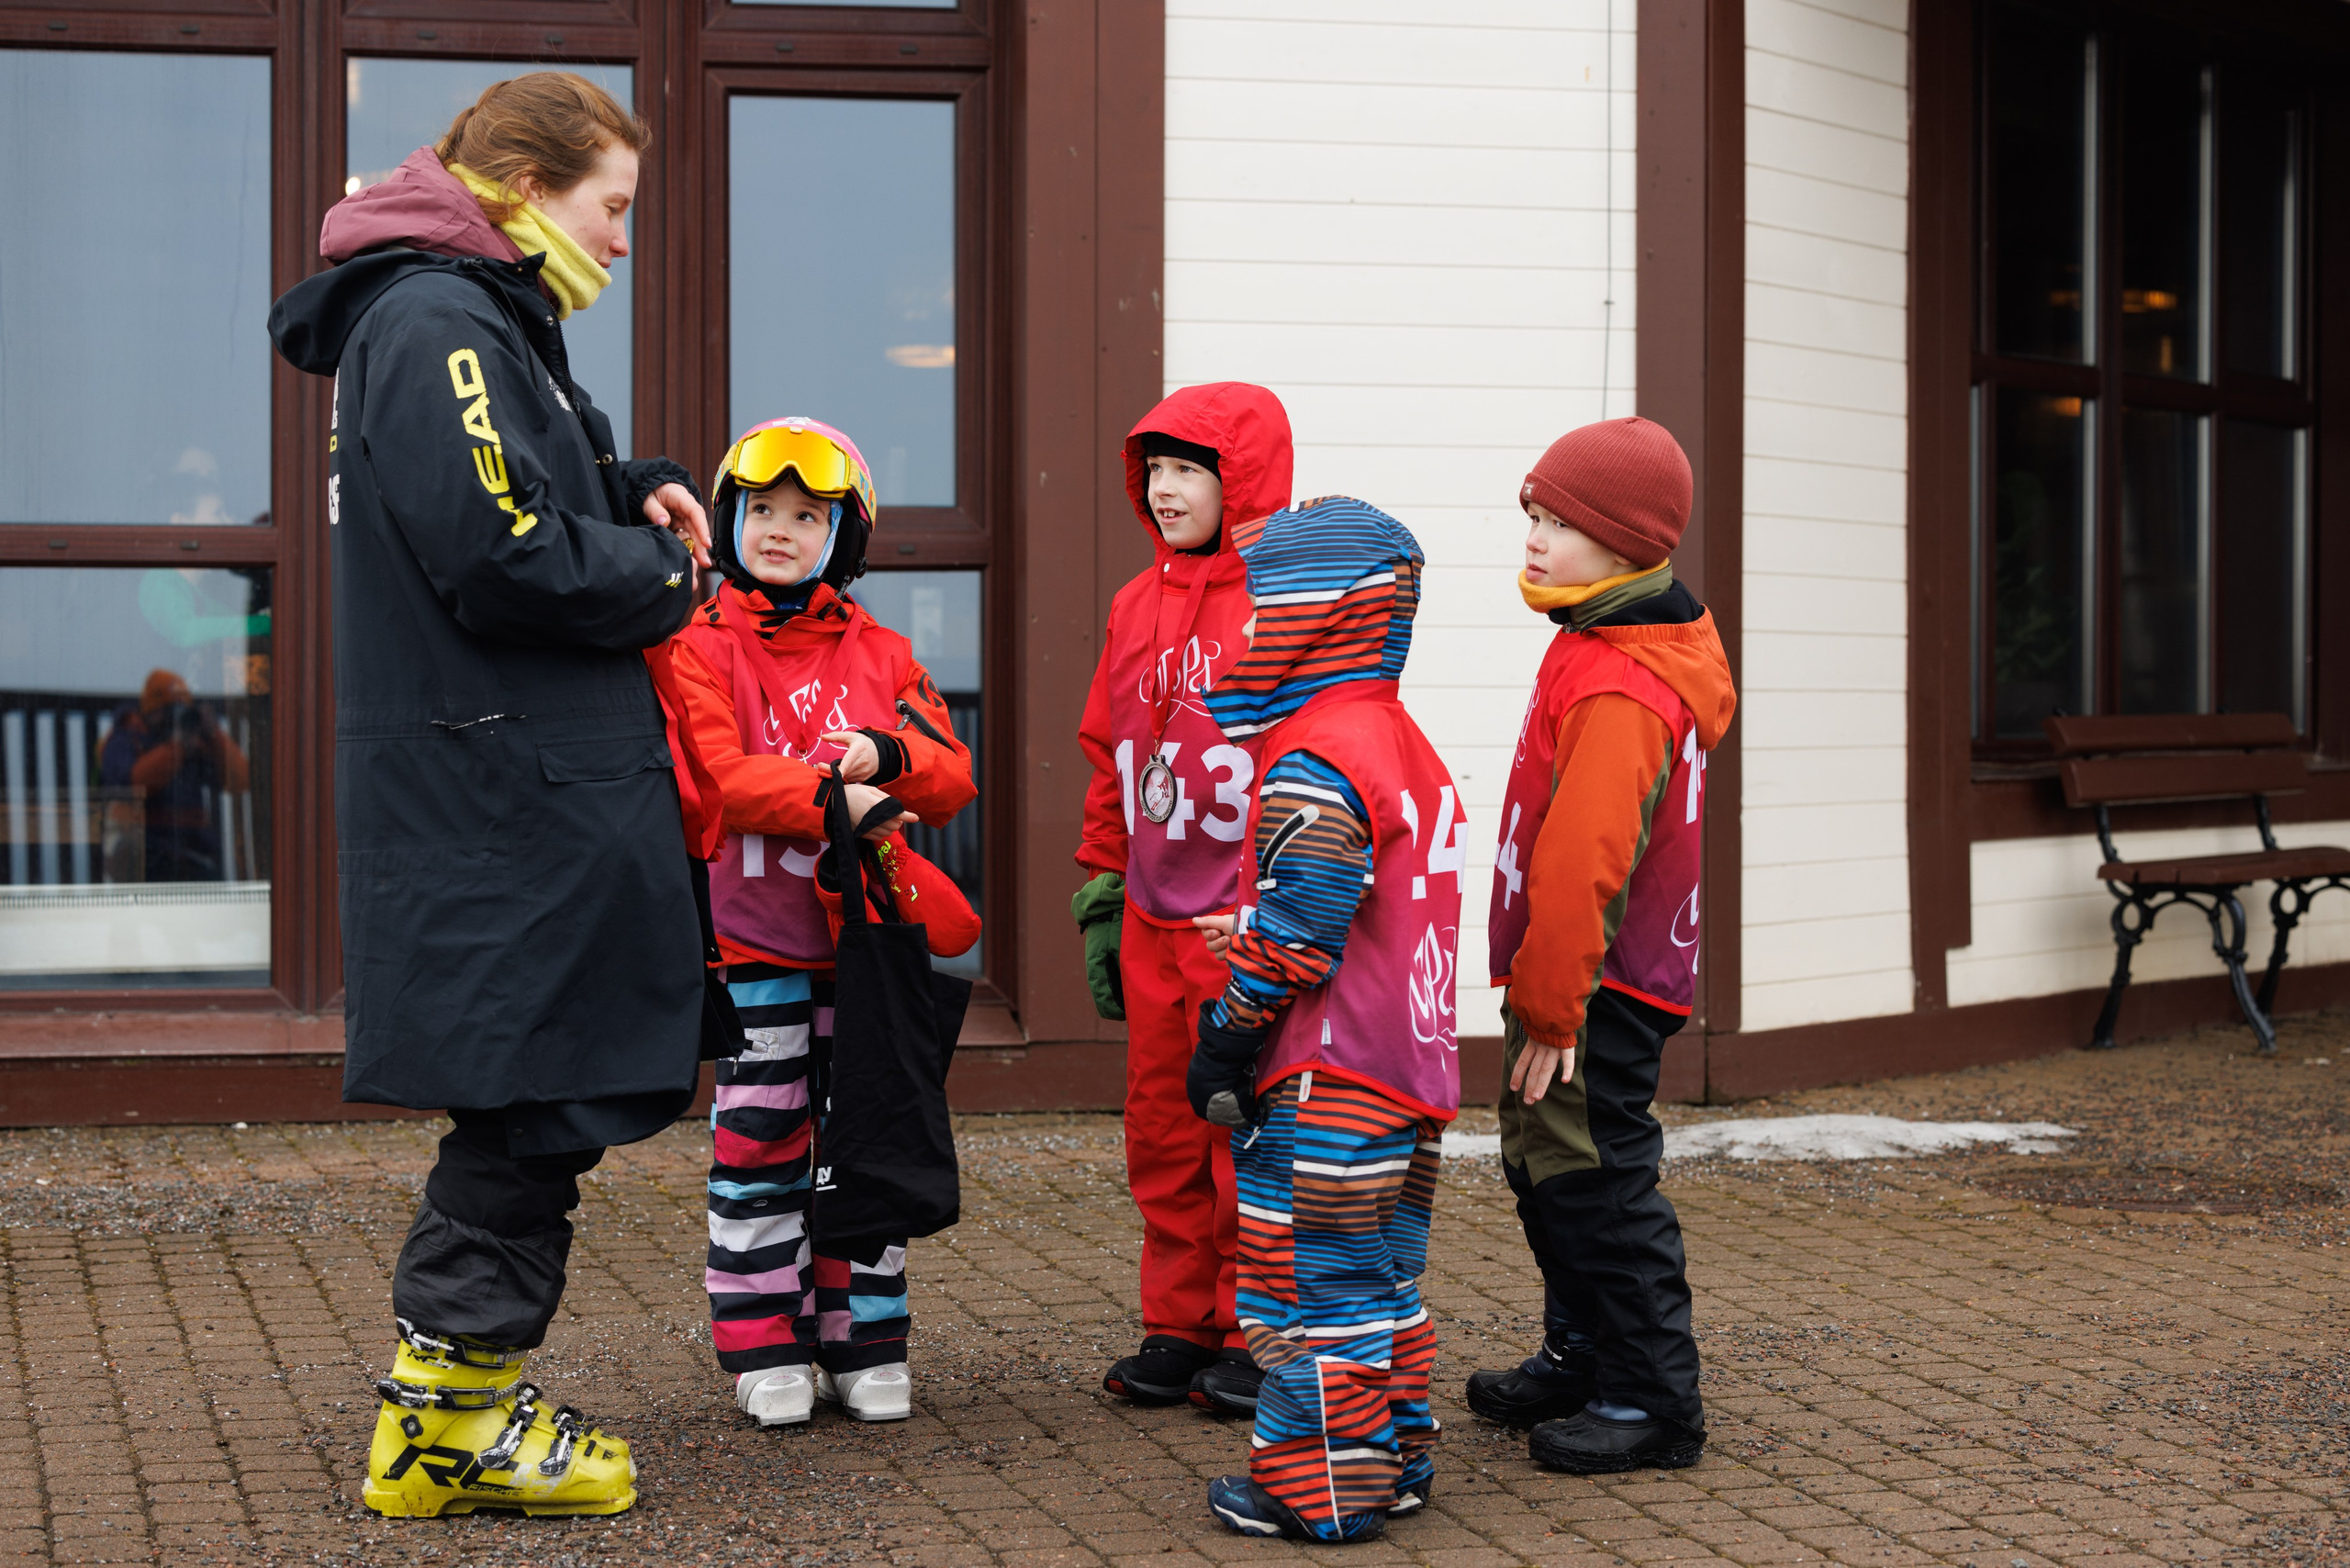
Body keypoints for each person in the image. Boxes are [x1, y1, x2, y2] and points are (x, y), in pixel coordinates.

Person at [269, 72, 724, 1518]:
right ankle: (446, 1426)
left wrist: (630, 479)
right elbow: (501, 551)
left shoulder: (470, 319)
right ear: (522, 188)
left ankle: (451, 1408)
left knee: (538, 1096)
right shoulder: (441, 321)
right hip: (508, 796)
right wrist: (669, 577)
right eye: (614, 206)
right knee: (529, 1103)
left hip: (513, 786)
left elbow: (510, 500)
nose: (627, 239)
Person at [669, 417, 978, 1429]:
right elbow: (716, 778)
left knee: (867, 1139)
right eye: (762, 511)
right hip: (754, 945)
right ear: (729, 519)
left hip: (868, 952)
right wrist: (830, 796)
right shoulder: (695, 647)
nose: (781, 530)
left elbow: (950, 773)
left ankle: (866, 1338)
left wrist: (886, 758)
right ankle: (768, 1344)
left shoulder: (881, 652)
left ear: (842, 536)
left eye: (808, 515)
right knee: (760, 1142)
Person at [1184, 497, 1464, 1543]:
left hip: (1327, 1079)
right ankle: (1393, 1455)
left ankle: (1322, 1486)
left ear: (1311, 614)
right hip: (1410, 1070)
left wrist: (1231, 1027)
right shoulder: (1404, 740)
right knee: (1380, 1279)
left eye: (1263, 606)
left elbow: (1305, 935)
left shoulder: (1315, 752)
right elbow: (1366, 898)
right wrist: (1265, 920)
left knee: (1303, 1288)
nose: (1249, 630)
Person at [1462, 417, 1736, 1475]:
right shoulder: (1596, 638)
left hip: (1595, 984)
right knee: (1544, 1166)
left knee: (1596, 1178)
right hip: (1578, 975)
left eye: (1560, 523)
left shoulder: (1623, 680)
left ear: (1628, 547)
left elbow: (1585, 860)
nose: (1532, 538)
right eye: (1532, 514)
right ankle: (1580, 1352)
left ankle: (1649, 1397)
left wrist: (1549, 1003)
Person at [1072, 383, 1294, 1415]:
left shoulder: (1289, 600)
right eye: (1152, 469)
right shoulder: (1131, 603)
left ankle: (1262, 1327)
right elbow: (1110, 750)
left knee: (1241, 1126)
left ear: (1238, 477)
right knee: (1161, 1126)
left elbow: (1320, 758)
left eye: (1188, 469)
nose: (1164, 490)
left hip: (1240, 919)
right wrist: (1103, 885)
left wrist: (1294, 908)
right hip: (1157, 916)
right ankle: (1179, 1320)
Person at [96, 668, 252, 882]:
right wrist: (176, 749)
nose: (174, 718)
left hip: (191, 849)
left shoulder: (193, 743)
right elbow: (133, 787)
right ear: (149, 710)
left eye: (181, 710)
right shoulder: (127, 737)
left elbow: (240, 780)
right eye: (168, 711)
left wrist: (213, 734)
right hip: (144, 846)